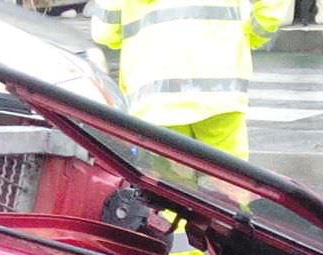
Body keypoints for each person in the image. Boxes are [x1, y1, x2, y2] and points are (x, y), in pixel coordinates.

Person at [89, 0, 289, 162]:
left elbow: (105, 32)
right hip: (220, 87)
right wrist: (251, 34)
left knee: (170, 190)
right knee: (230, 185)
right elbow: (270, 8)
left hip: (155, 94)